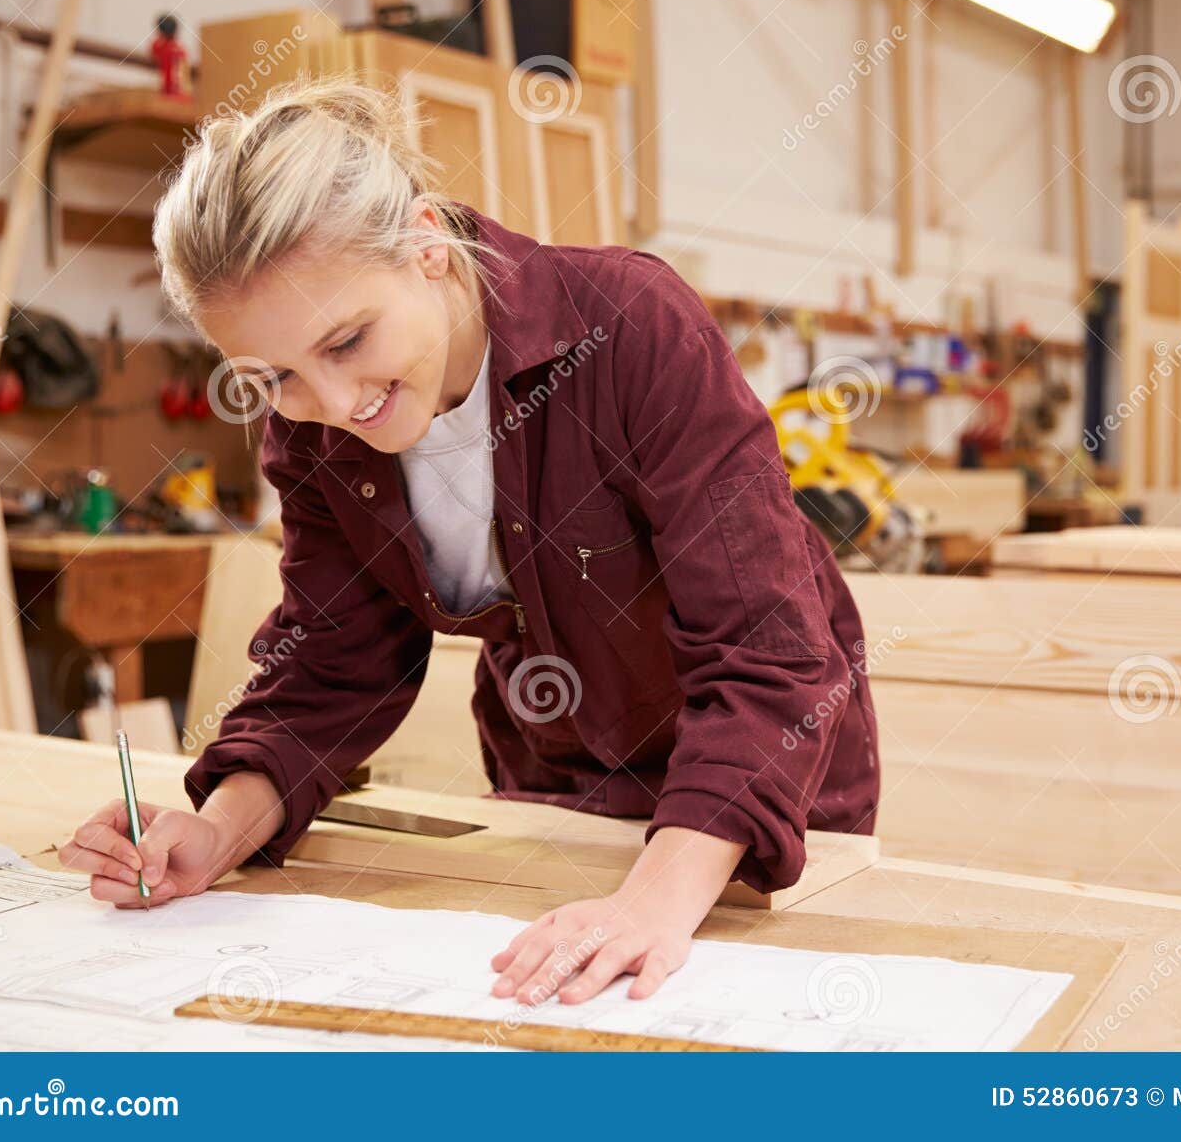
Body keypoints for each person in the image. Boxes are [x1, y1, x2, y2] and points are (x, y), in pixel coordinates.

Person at [57, 78, 879, 1006]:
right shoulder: (314, 428)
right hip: (557, 796)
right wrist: (219, 828)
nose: (334, 407)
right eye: (276, 375)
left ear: (427, 247)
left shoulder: (632, 328)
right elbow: (335, 654)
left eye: (348, 340)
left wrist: (655, 898)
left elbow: (766, 656)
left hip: (764, 800)